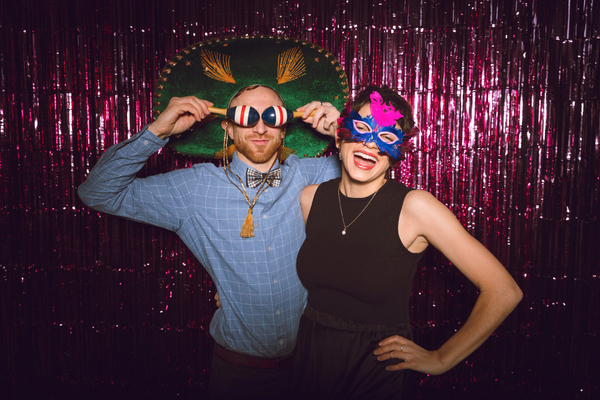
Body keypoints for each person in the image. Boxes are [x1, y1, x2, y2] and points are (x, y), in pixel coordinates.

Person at [77, 36, 349, 399]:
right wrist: (156, 131)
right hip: (240, 378)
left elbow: (378, 185)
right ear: (228, 127)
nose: (260, 126)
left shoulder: (311, 175)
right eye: (245, 116)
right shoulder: (192, 191)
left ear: (285, 127)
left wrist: (344, 134)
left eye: (272, 116)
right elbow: (97, 193)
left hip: (313, 370)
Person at [291, 85, 523, 399]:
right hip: (309, 359)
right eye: (362, 129)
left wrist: (441, 358)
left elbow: (504, 291)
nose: (371, 145)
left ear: (398, 152)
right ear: (339, 136)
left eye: (387, 137)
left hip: (374, 371)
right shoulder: (310, 198)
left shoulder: (416, 208)